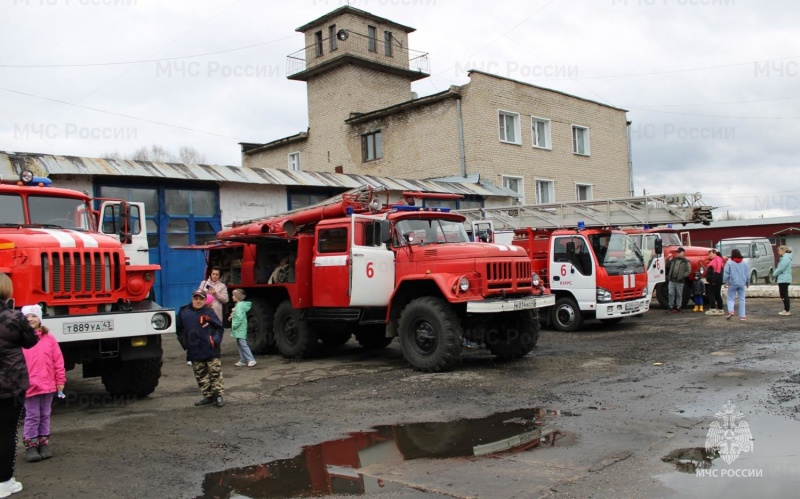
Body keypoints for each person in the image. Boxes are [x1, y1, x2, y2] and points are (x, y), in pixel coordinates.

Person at [0, 273, 38, 497]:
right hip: (10, 385)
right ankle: (4, 482)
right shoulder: (15, 317)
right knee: (5, 433)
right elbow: (31, 342)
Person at [20, 305, 65, 463]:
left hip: (47, 384)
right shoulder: (21, 339)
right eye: (27, 317)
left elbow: (57, 360)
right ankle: (31, 445)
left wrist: (60, 380)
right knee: (32, 415)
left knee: (45, 414)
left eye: (33, 316)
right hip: (30, 385)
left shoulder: (49, 338)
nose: (30, 319)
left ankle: (43, 443)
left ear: (40, 318)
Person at [176, 289, 226, 408]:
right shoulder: (184, 312)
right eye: (196, 298)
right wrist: (186, 343)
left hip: (210, 348)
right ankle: (207, 396)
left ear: (205, 300)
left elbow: (219, 328)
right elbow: (179, 329)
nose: (198, 301)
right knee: (201, 374)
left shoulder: (209, 312)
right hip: (194, 349)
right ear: (192, 299)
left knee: (215, 373)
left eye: (201, 299)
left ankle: (218, 395)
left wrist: (214, 340)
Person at [229, 289, 256, 367]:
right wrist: (231, 316)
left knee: (243, 344)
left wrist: (234, 325)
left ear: (237, 297)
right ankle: (243, 360)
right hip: (239, 328)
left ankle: (251, 359)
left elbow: (240, 317)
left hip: (239, 328)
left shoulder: (239, 306)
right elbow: (237, 314)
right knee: (239, 344)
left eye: (233, 295)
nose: (232, 297)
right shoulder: (238, 305)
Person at [723, 248, 750, 321]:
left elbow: (726, 274)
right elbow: (747, 273)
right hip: (742, 283)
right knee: (742, 299)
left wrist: (725, 282)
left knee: (731, 298)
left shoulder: (729, 263)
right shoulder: (744, 263)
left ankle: (731, 311)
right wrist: (747, 282)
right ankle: (742, 316)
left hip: (732, 283)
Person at [666, 247, 691, 313]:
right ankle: (671, 307)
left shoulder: (686, 261)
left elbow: (688, 270)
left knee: (679, 294)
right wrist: (668, 259)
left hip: (680, 281)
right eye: (677, 252)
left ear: (683, 253)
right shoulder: (673, 260)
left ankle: (678, 307)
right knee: (671, 293)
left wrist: (683, 276)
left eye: (678, 252)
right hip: (672, 280)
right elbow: (667, 266)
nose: (677, 253)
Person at [772, 245, 793, 316]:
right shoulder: (785, 258)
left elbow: (781, 268)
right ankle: (786, 309)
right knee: (783, 294)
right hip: (784, 278)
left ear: (783, 250)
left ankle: (787, 310)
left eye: (779, 251)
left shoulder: (785, 258)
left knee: (784, 294)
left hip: (784, 278)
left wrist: (774, 274)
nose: (778, 252)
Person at [705, 249, 725, 315]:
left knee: (711, 293)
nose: (709, 255)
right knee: (716, 294)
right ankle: (720, 309)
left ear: (715, 253)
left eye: (710, 254)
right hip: (716, 280)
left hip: (715, 281)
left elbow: (718, 271)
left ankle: (713, 309)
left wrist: (714, 280)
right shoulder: (716, 260)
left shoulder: (717, 260)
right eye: (709, 254)